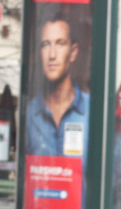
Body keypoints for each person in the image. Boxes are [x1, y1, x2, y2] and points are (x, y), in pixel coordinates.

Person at [25, 12, 88, 160]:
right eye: (45, 45)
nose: (52, 55)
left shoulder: (91, 111)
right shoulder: (30, 112)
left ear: (73, 52)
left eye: (60, 43)